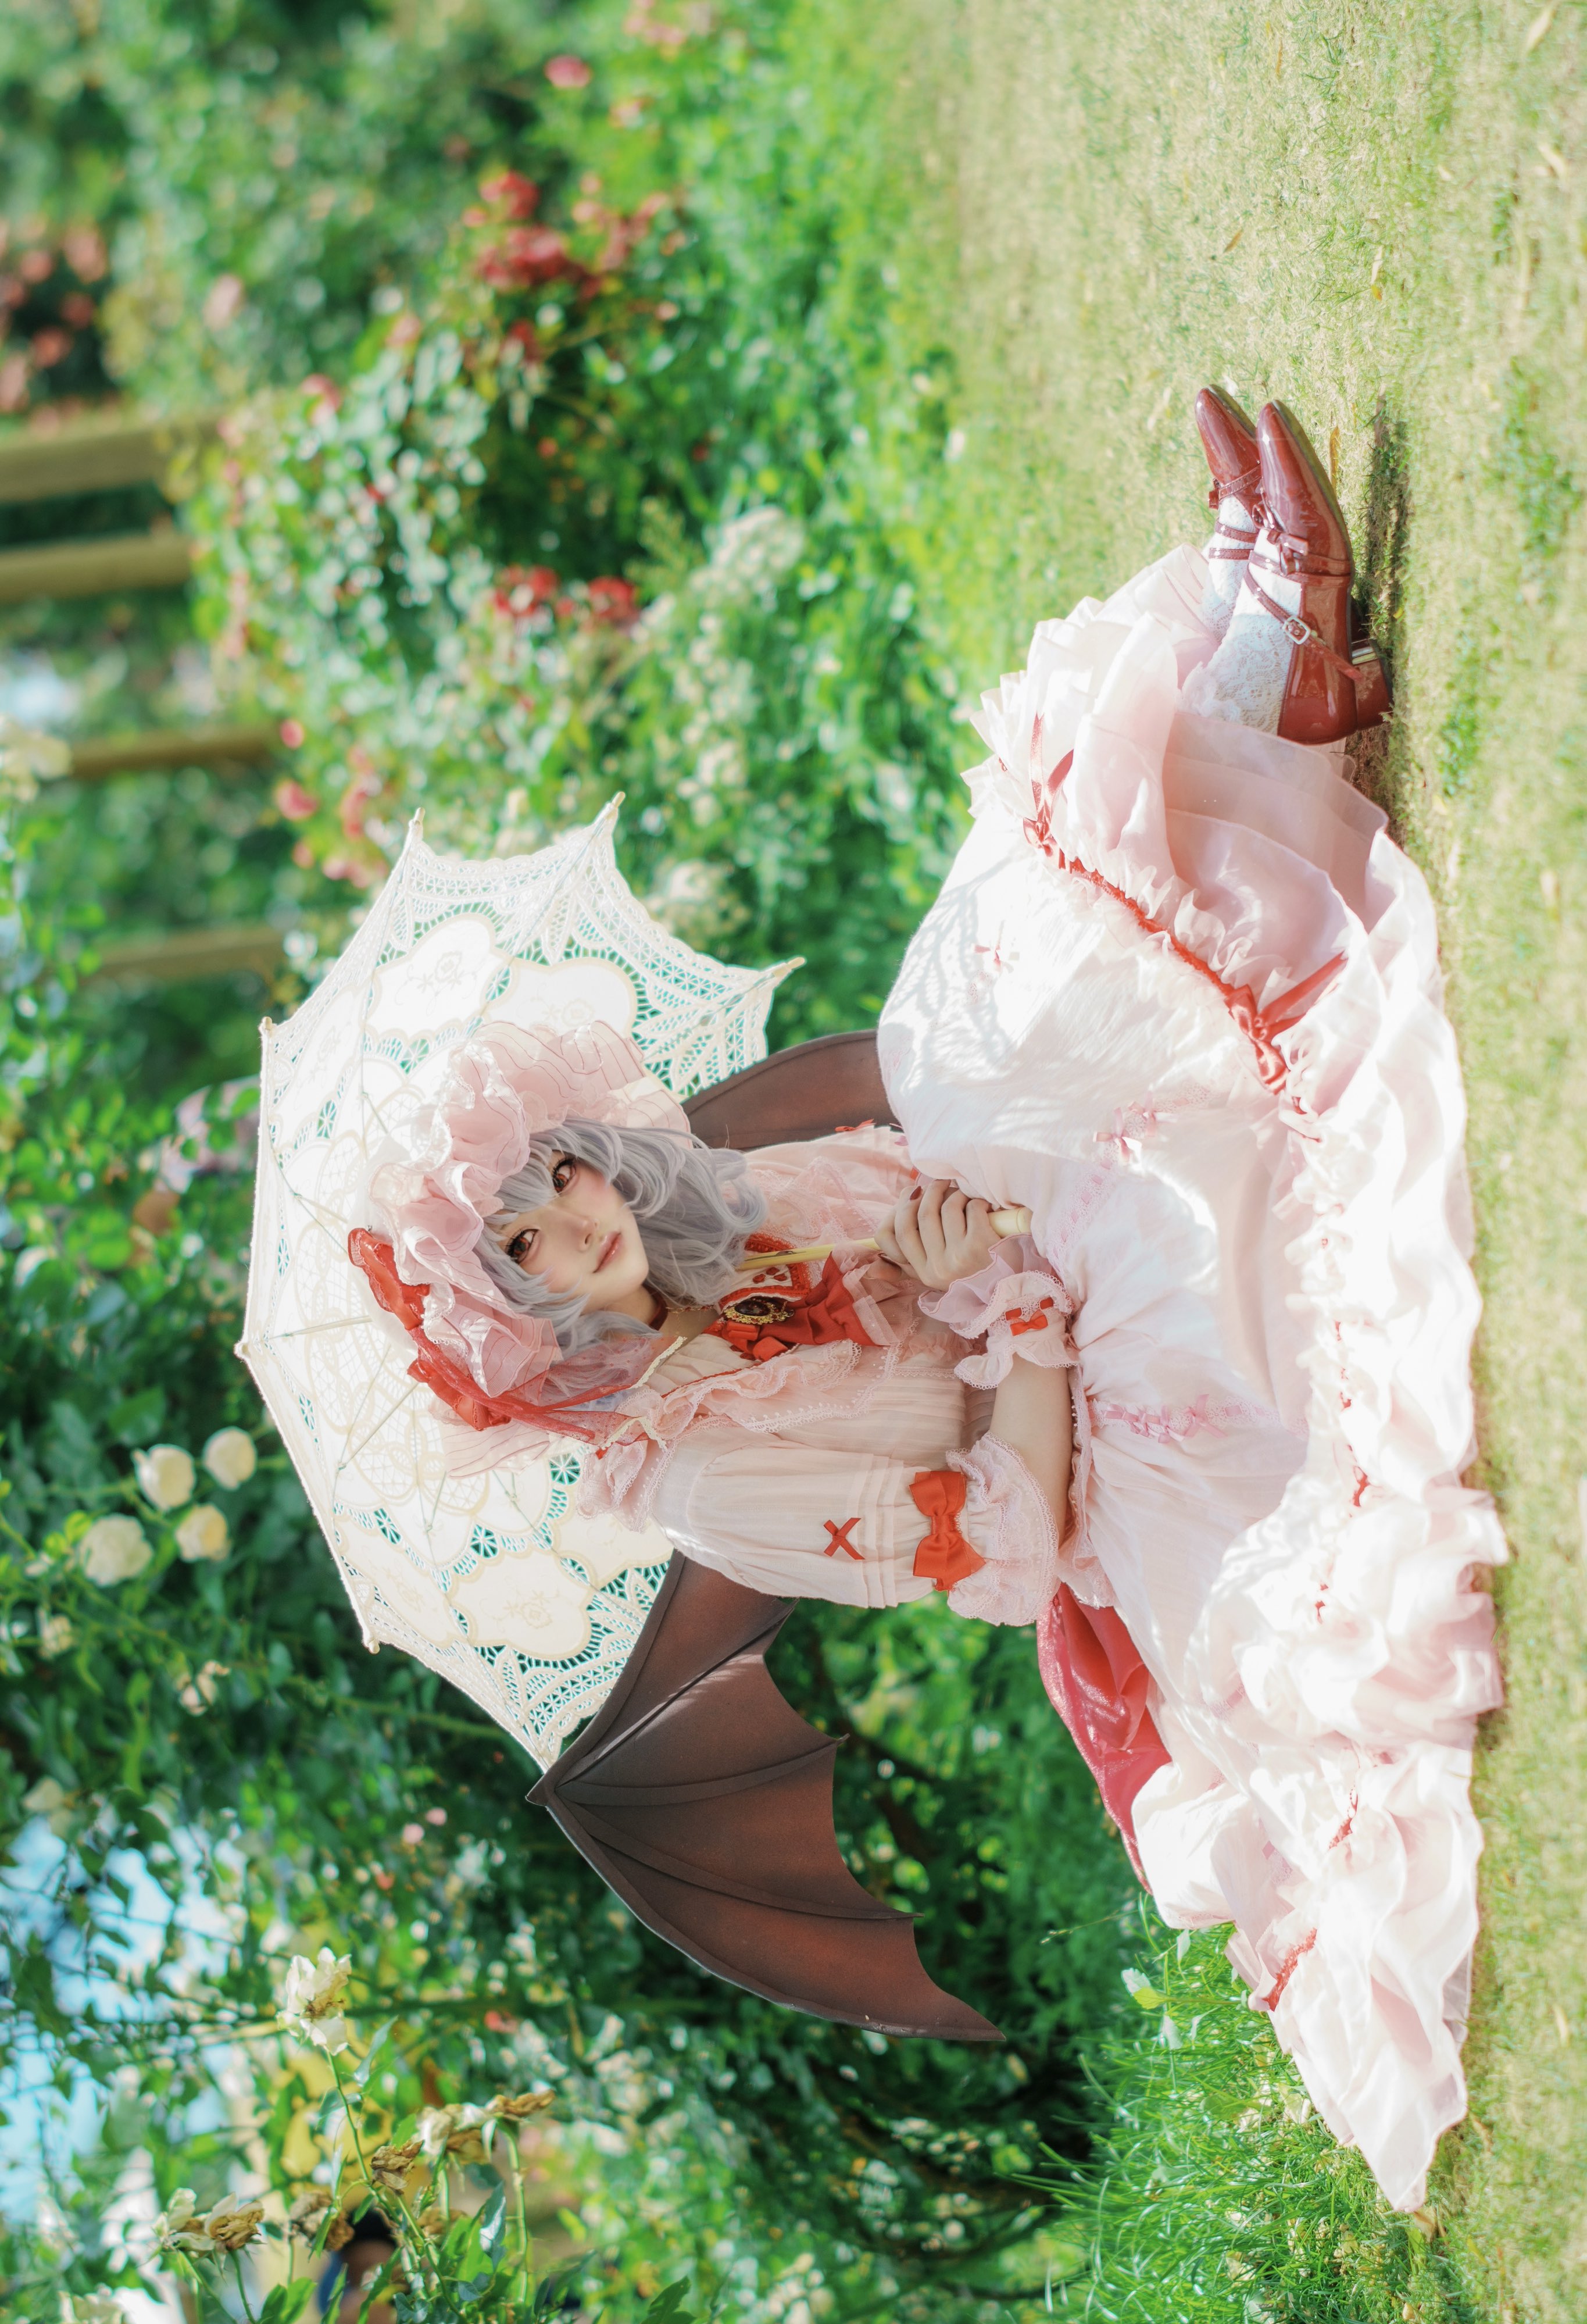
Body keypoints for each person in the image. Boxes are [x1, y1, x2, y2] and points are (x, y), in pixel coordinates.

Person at [351, 393, 1502, 2214]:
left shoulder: (721, 1222)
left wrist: (949, 1239)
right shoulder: (711, 1487)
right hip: (1098, 1461)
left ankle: (1256, 656)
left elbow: (917, 1186)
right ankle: (1274, 676)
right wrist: (1010, 1322)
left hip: (1061, 1269)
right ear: (526, 1337)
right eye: (525, 1255)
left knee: (963, 1036)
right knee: (1214, 1252)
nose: (571, 1228)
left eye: (549, 1184)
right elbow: (1012, 1545)